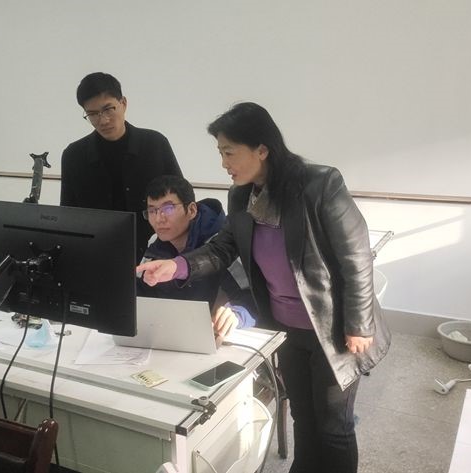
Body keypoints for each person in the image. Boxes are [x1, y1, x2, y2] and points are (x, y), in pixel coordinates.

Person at [138, 102, 391, 473]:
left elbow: (357, 258)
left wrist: (359, 324)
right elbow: (223, 247)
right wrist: (176, 266)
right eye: (220, 153)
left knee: (334, 427)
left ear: (261, 149)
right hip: (285, 327)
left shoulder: (320, 184)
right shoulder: (242, 195)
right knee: (303, 416)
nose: (223, 163)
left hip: (332, 328)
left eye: (229, 152)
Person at [60, 72, 183, 262]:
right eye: (92, 114)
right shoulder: (74, 156)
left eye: (108, 109)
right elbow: (68, 217)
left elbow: (181, 200)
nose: (103, 120)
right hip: (97, 256)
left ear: (123, 103)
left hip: (157, 253)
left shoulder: (155, 144)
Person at [137, 175, 255, 339]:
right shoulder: (155, 245)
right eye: (152, 211)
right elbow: (139, 296)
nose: (159, 219)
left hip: (216, 336)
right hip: (169, 335)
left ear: (191, 210)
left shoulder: (222, 245)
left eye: (168, 209)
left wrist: (237, 314)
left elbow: (251, 297)